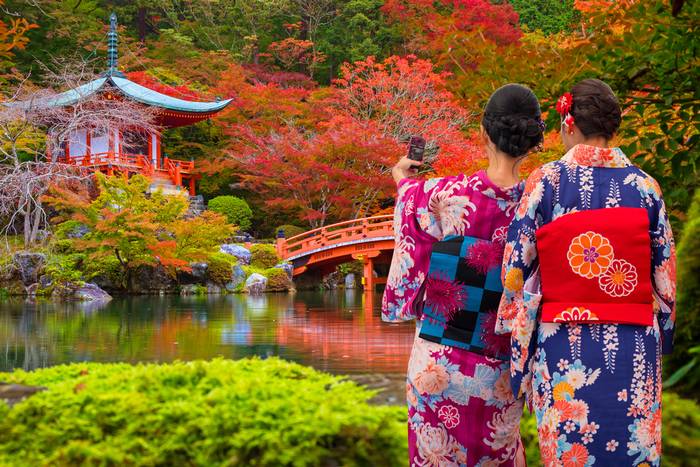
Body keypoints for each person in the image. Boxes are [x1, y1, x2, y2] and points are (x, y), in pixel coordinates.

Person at [496, 79, 676, 466]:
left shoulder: (545, 182)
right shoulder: (645, 188)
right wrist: (665, 333)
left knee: (569, 451)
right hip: (632, 346)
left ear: (568, 123)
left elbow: (514, 270)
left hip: (564, 344)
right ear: (614, 128)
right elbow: (666, 283)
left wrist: (515, 328)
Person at [383, 84, 545, 466]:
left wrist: (402, 179)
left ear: (484, 133)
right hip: (501, 365)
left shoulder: (444, 193)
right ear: (531, 141)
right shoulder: (540, 205)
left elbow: (411, 215)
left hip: (439, 360)